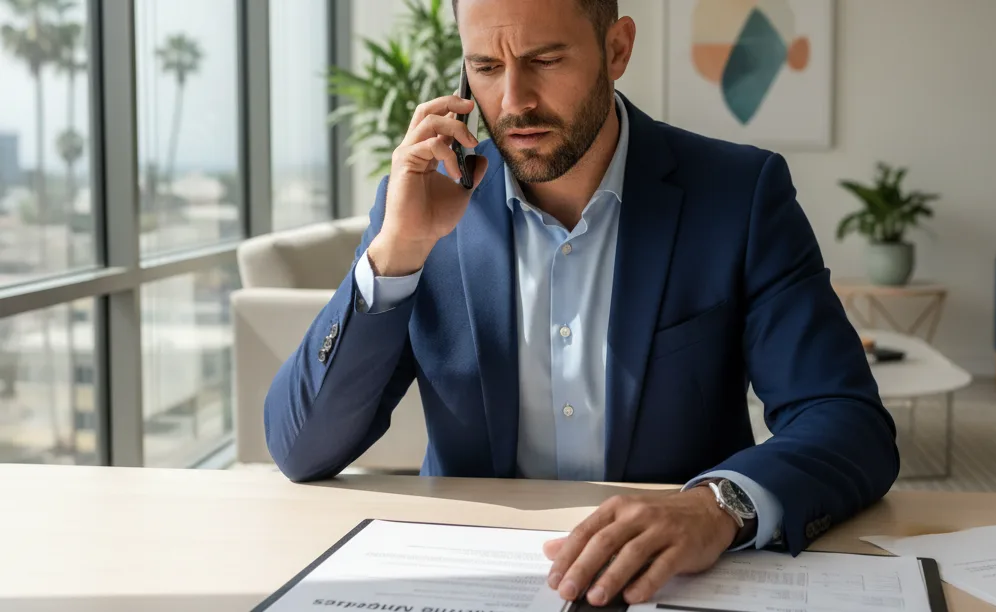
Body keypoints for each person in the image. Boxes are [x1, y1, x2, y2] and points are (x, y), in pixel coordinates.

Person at [265, 0, 899, 606]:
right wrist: (396, 253)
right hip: (474, 580)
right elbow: (301, 449)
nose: (513, 102)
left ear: (616, 48)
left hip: (676, 582)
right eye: (485, 67)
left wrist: (717, 506)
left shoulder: (739, 194)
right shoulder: (418, 208)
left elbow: (845, 418)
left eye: (545, 60)